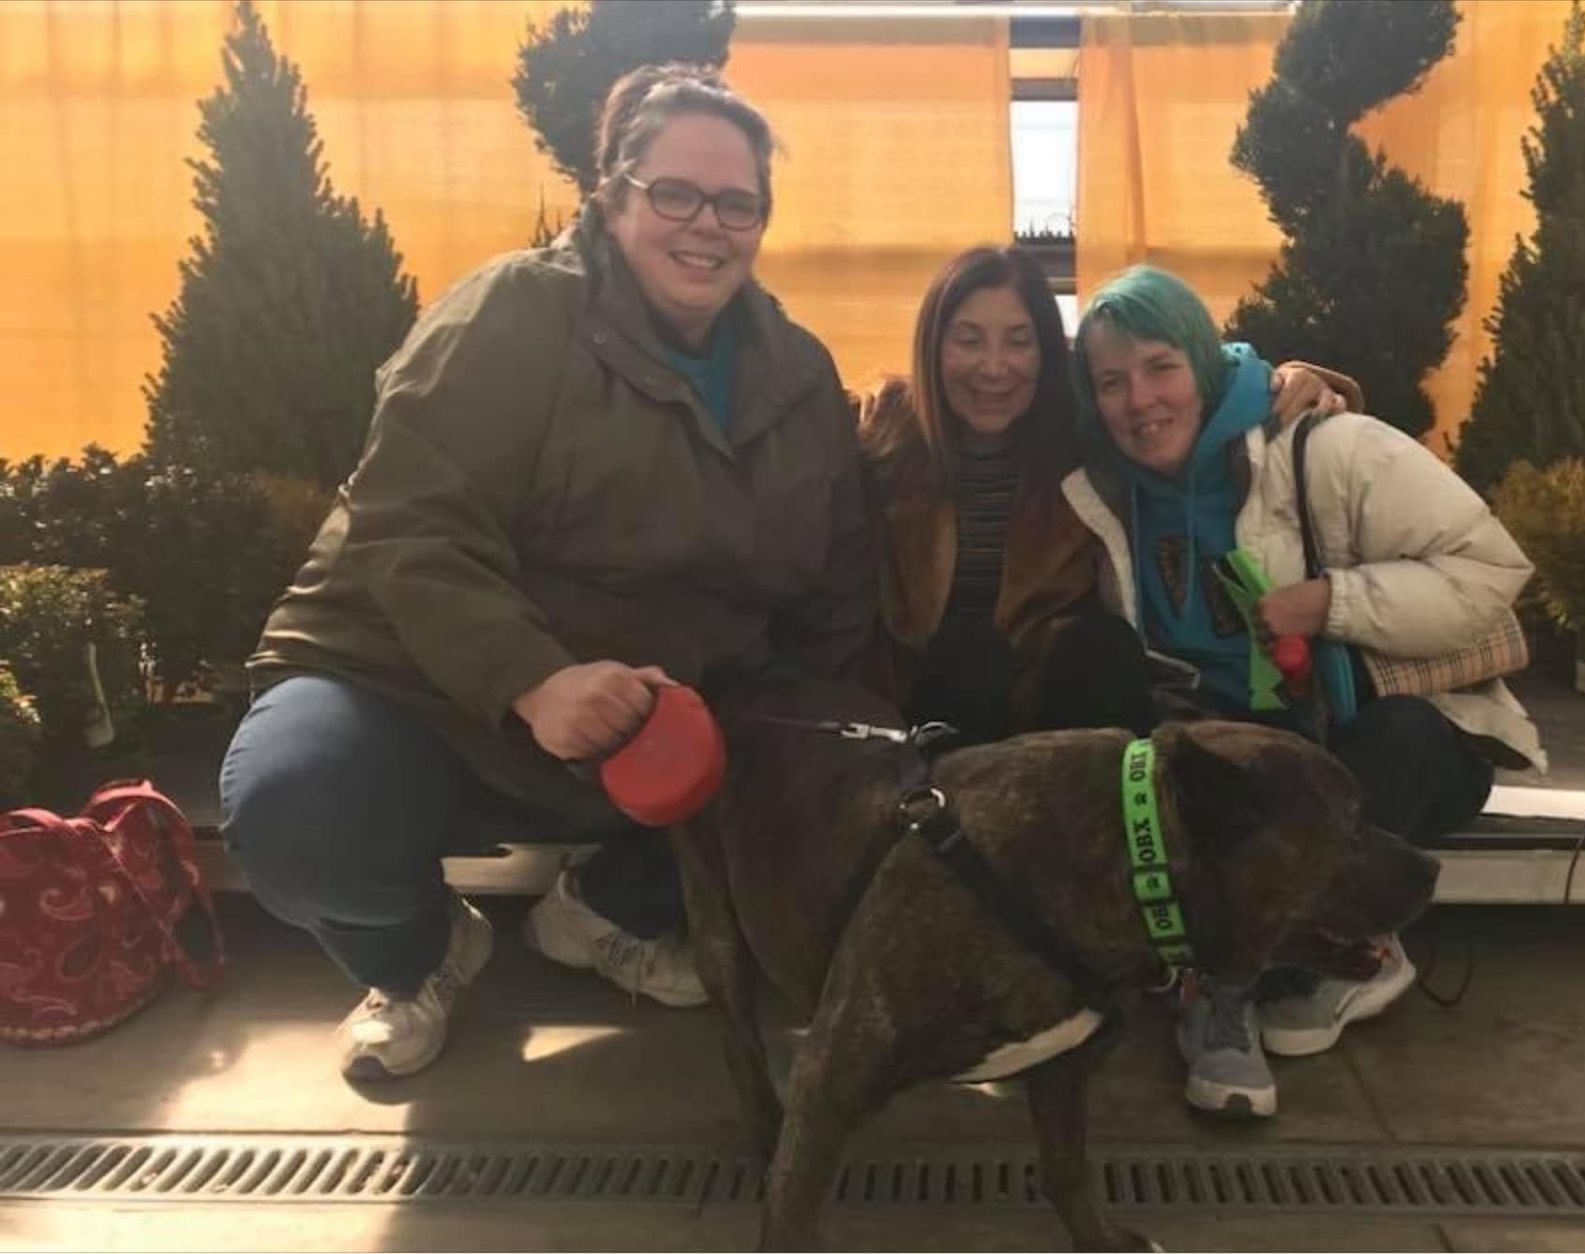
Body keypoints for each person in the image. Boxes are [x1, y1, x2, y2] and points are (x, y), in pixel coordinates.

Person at [219, 65, 873, 1082]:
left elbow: (834, 585)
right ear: (611, 195)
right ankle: (418, 955)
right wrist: (535, 678)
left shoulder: (800, 375)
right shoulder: (511, 314)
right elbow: (409, 521)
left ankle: (600, 915)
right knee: (292, 810)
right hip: (410, 678)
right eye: (674, 193)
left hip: (649, 714)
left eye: (736, 202)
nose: (708, 225)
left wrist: (840, 735)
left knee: (836, 765)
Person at [1063, 265, 1544, 1118]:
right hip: (1229, 736)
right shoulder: (1103, 490)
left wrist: (1331, 602)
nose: (1140, 400)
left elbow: (1491, 569)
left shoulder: (1327, 447)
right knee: (1094, 670)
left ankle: (1258, 980)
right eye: (1111, 381)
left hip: (1378, 732)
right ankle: (1268, 963)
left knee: (1388, 746)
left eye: (1161, 366)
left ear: (1203, 362)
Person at [860, 245, 1359, 743]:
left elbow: (1186, 374)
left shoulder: (1082, 433)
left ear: (1046, 353)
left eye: (1019, 341)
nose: (994, 367)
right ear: (931, 346)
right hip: (916, 705)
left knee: (1097, 646)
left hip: (1043, 699)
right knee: (968, 658)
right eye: (969, 340)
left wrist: (1287, 383)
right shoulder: (881, 432)